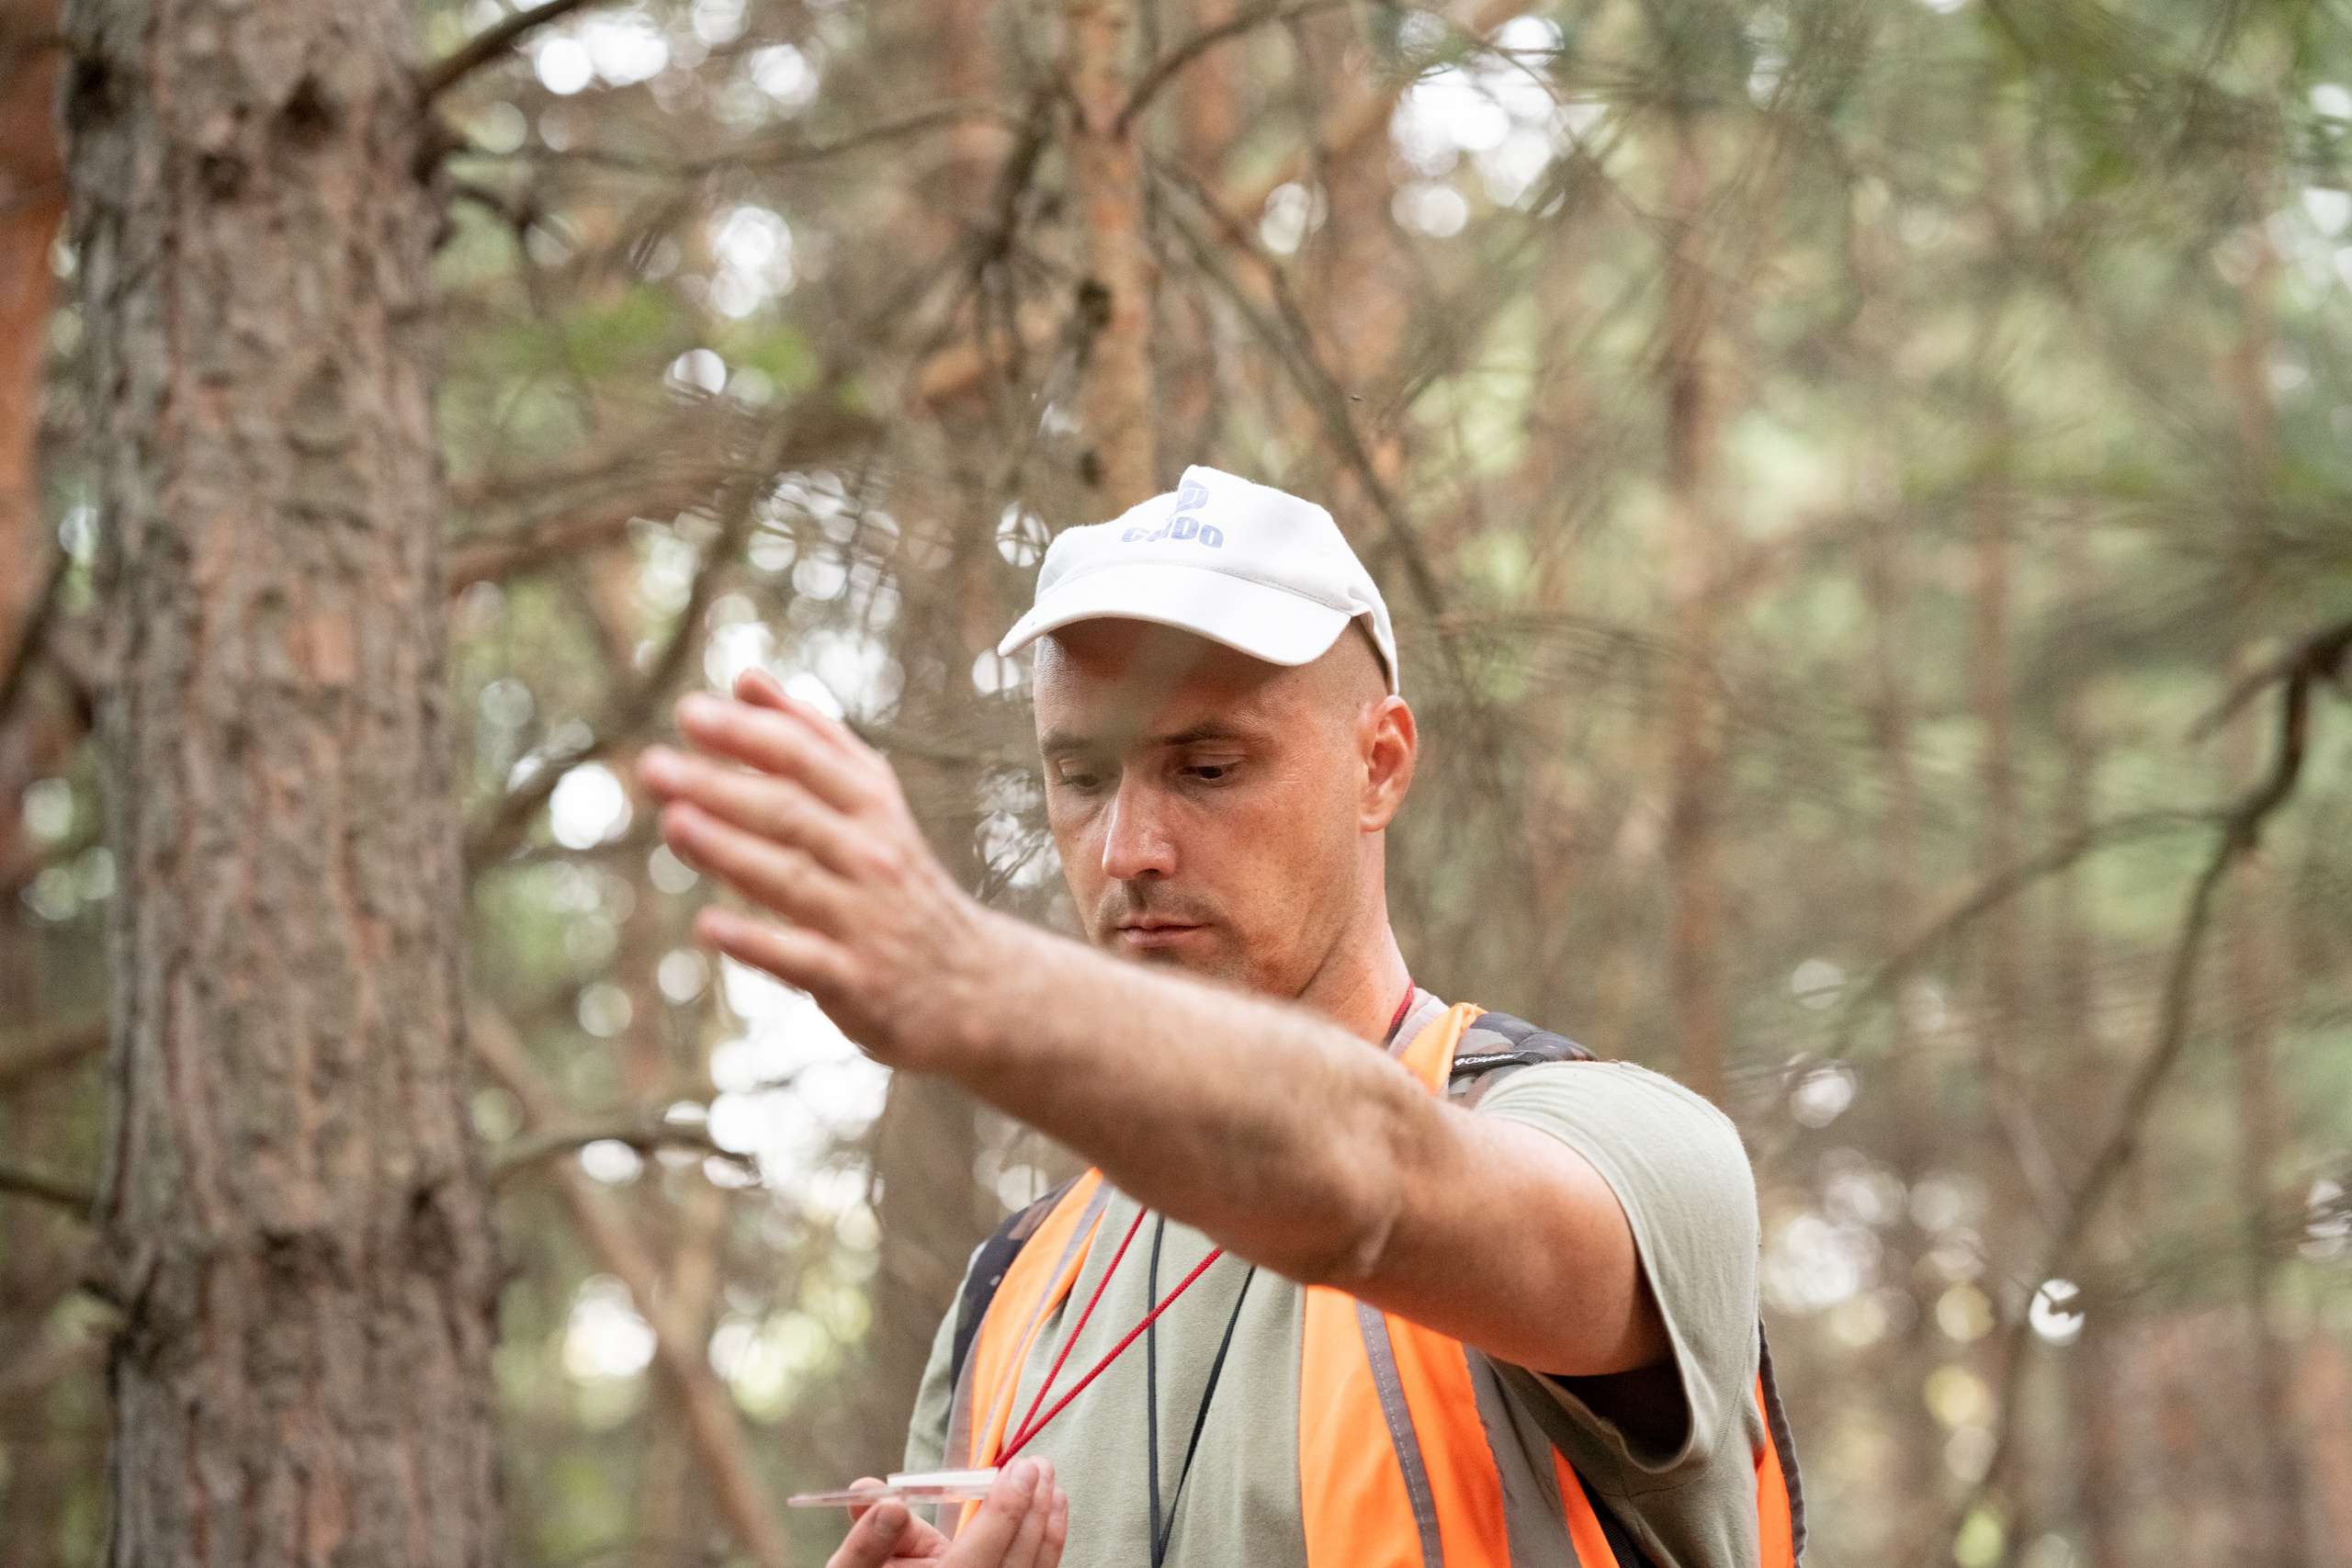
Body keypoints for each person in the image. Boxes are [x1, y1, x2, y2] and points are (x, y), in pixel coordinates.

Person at [638, 466, 1799, 1568]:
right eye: (1082, 777)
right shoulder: (1011, 1293)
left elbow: (1372, 1182)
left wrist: (974, 984)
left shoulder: (1630, 1157)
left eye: (1207, 768)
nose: (1127, 851)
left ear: (1380, 765)